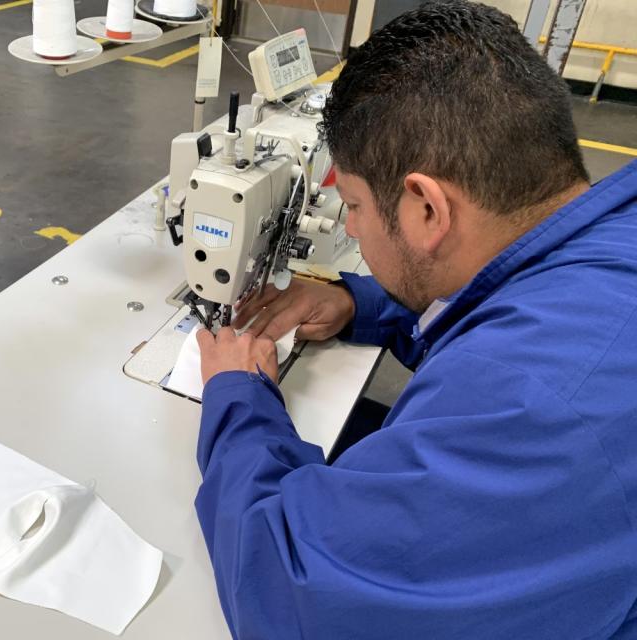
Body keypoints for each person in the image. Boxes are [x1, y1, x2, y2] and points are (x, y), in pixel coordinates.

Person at [194, 2, 637, 638]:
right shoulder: (601, 239)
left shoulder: (533, 407)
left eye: (351, 206)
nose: (346, 227)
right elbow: (495, 307)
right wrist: (362, 303)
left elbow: (292, 591)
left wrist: (237, 397)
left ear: (427, 207)